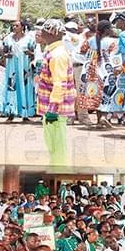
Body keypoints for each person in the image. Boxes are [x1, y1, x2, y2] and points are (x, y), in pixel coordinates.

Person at [37, 19, 77, 165]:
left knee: (56, 144)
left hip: (55, 109)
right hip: (52, 106)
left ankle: (58, 169)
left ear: (50, 33)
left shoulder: (57, 55)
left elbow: (59, 83)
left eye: (43, 31)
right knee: (53, 143)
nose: (40, 33)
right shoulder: (54, 51)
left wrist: (52, 110)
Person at [0, 20, 36, 122]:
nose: (14, 27)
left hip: (24, 68)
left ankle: (25, 114)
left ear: (22, 27)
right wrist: (6, 55)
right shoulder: (8, 39)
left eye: (17, 25)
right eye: (13, 25)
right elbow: (3, 52)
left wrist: (29, 53)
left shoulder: (29, 39)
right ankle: (11, 112)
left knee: (24, 87)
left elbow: (34, 53)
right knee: (12, 88)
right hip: (12, 68)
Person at [80, 19, 118, 128]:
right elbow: (115, 56)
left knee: (96, 94)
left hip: (91, 71)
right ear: (107, 30)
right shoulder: (112, 42)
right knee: (105, 94)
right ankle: (103, 117)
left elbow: (82, 49)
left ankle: (99, 120)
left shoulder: (91, 40)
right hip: (106, 71)